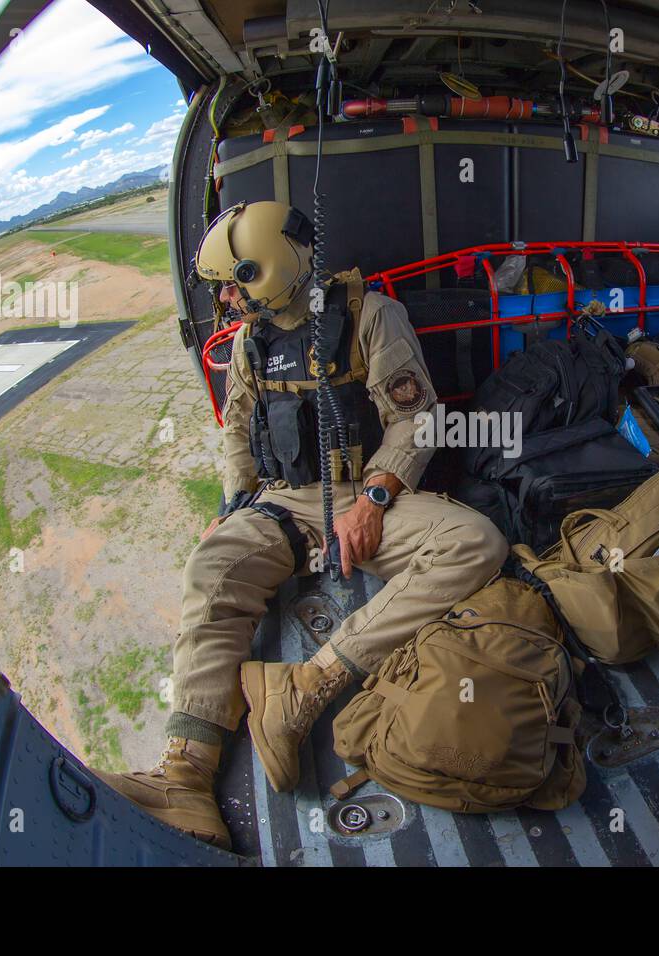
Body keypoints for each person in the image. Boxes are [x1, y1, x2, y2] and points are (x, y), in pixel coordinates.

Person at [94, 201, 508, 849]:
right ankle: (186, 775)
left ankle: (306, 685)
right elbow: (238, 428)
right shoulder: (248, 343)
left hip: (368, 494)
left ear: (271, 270)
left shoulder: (372, 316)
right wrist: (234, 510)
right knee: (212, 567)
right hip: (285, 502)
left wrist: (373, 498)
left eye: (234, 282)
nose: (226, 298)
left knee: (475, 542)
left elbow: (416, 418)